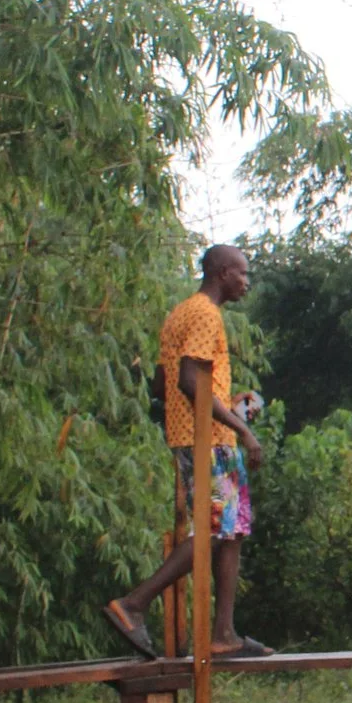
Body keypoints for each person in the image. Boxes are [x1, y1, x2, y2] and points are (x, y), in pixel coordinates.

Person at [104, 244, 271, 659]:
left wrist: (230, 403)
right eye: (242, 273)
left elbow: (163, 384)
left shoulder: (178, 314)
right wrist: (244, 431)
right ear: (220, 272)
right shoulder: (203, 313)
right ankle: (133, 605)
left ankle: (224, 634)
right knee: (214, 530)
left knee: (230, 531)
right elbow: (190, 383)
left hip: (197, 433)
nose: (247, 282)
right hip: (208, 440)